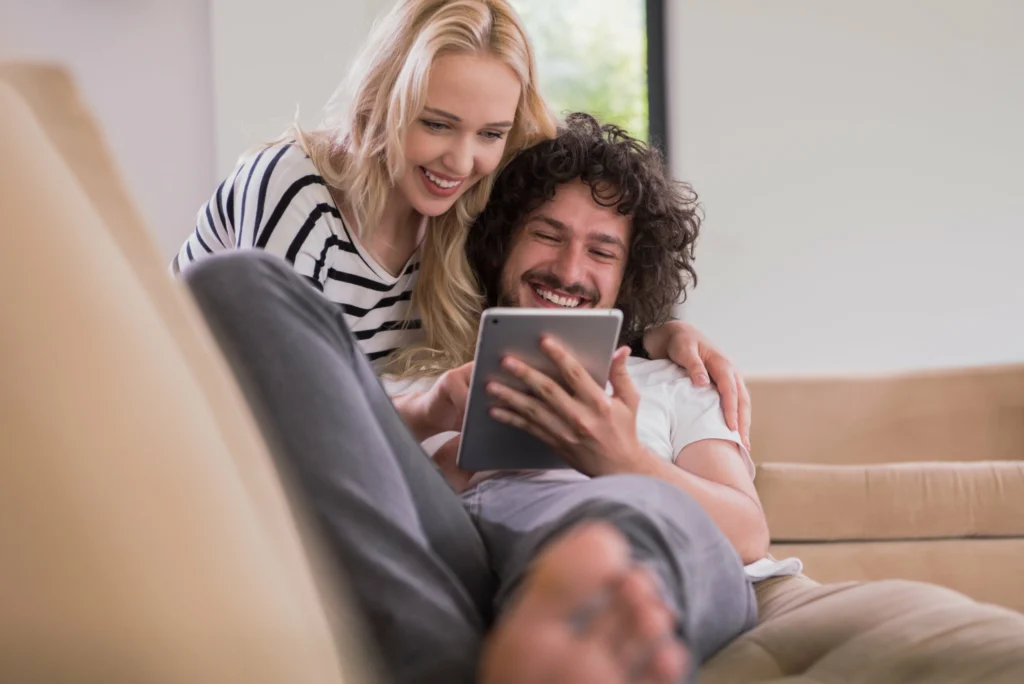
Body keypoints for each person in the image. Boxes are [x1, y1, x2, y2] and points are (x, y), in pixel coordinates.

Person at [180, 114, 762, 682]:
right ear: (502, 241)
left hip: (623, 539)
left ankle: (576, 612)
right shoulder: (419, 366)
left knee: (627, 525)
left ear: (629, 276)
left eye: (602, 252)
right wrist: (431, 430)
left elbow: (745, 531)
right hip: (450, 555)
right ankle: (554, 628)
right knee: (235, 279)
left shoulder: (669, 377)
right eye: (546, 235)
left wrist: (624, 461)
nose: (567, 269)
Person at [172, 0, 753, 447]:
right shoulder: (295, 188)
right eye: (437, 124)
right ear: (383, 100)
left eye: (491, 135)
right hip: (206, 439)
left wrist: (653, 335)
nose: (460, 161)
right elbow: (282, 417)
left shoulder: (461, 212)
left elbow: (548, 299)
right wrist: (425, 419)